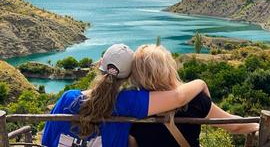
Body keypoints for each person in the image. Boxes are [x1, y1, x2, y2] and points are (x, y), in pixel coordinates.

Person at [42, 44, 211, 147]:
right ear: (130, 75)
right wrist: (200, 83)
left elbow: (47, 141)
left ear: (100, 64)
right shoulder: (129, 101)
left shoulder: (68, 98)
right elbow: (179, 97)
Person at [129, 44, 259, 147]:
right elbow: (235, 125)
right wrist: (258, 125)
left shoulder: (133, 108)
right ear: (168, 69)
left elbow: (133, 144)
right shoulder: (195, 100)